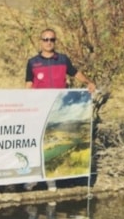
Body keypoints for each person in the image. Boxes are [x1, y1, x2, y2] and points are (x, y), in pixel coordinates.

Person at [24, 28, 95, 191]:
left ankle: (51, 180)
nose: (49, 42)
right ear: (40, 41)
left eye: (52, 39)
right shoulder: (32, 62)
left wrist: (88, 82)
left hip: (58, 109)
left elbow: (75, 73)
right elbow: (28, 84)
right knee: (37, 143)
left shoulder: (63, 59)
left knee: (52, 144)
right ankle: (33, 178)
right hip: (39, 109)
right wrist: (26, 104)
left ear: (55, 42)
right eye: (46, 39)